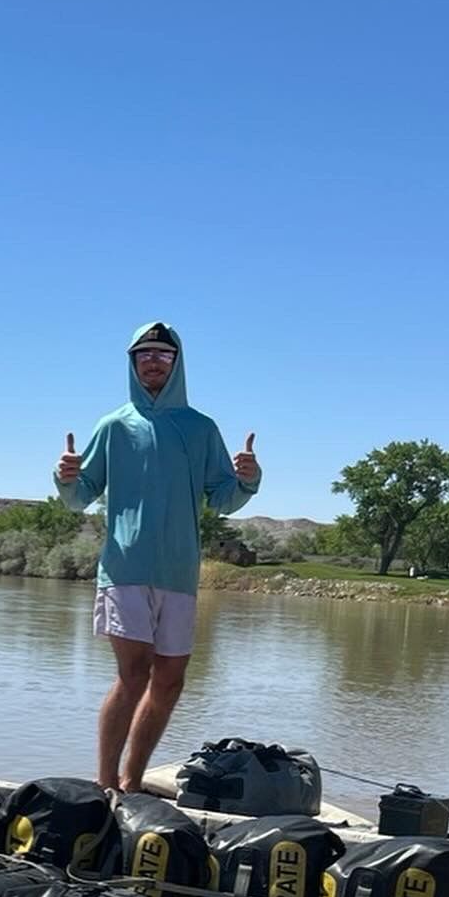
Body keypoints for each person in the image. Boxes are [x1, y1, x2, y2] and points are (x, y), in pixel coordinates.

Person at [55, 320, 261, 793]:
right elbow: (79, 495)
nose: (152, 361)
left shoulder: (200, 428)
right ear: (132, 364)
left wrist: (248, 479)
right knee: (134, 674)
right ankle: (105, 783)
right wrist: (66, 477)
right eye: (143, 354)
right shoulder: (113, 426)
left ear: (177, 363)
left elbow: (223, 498)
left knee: (170, 679)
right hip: (125, 567)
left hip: (179, 571)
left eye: (162, 355)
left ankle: (133, 781)